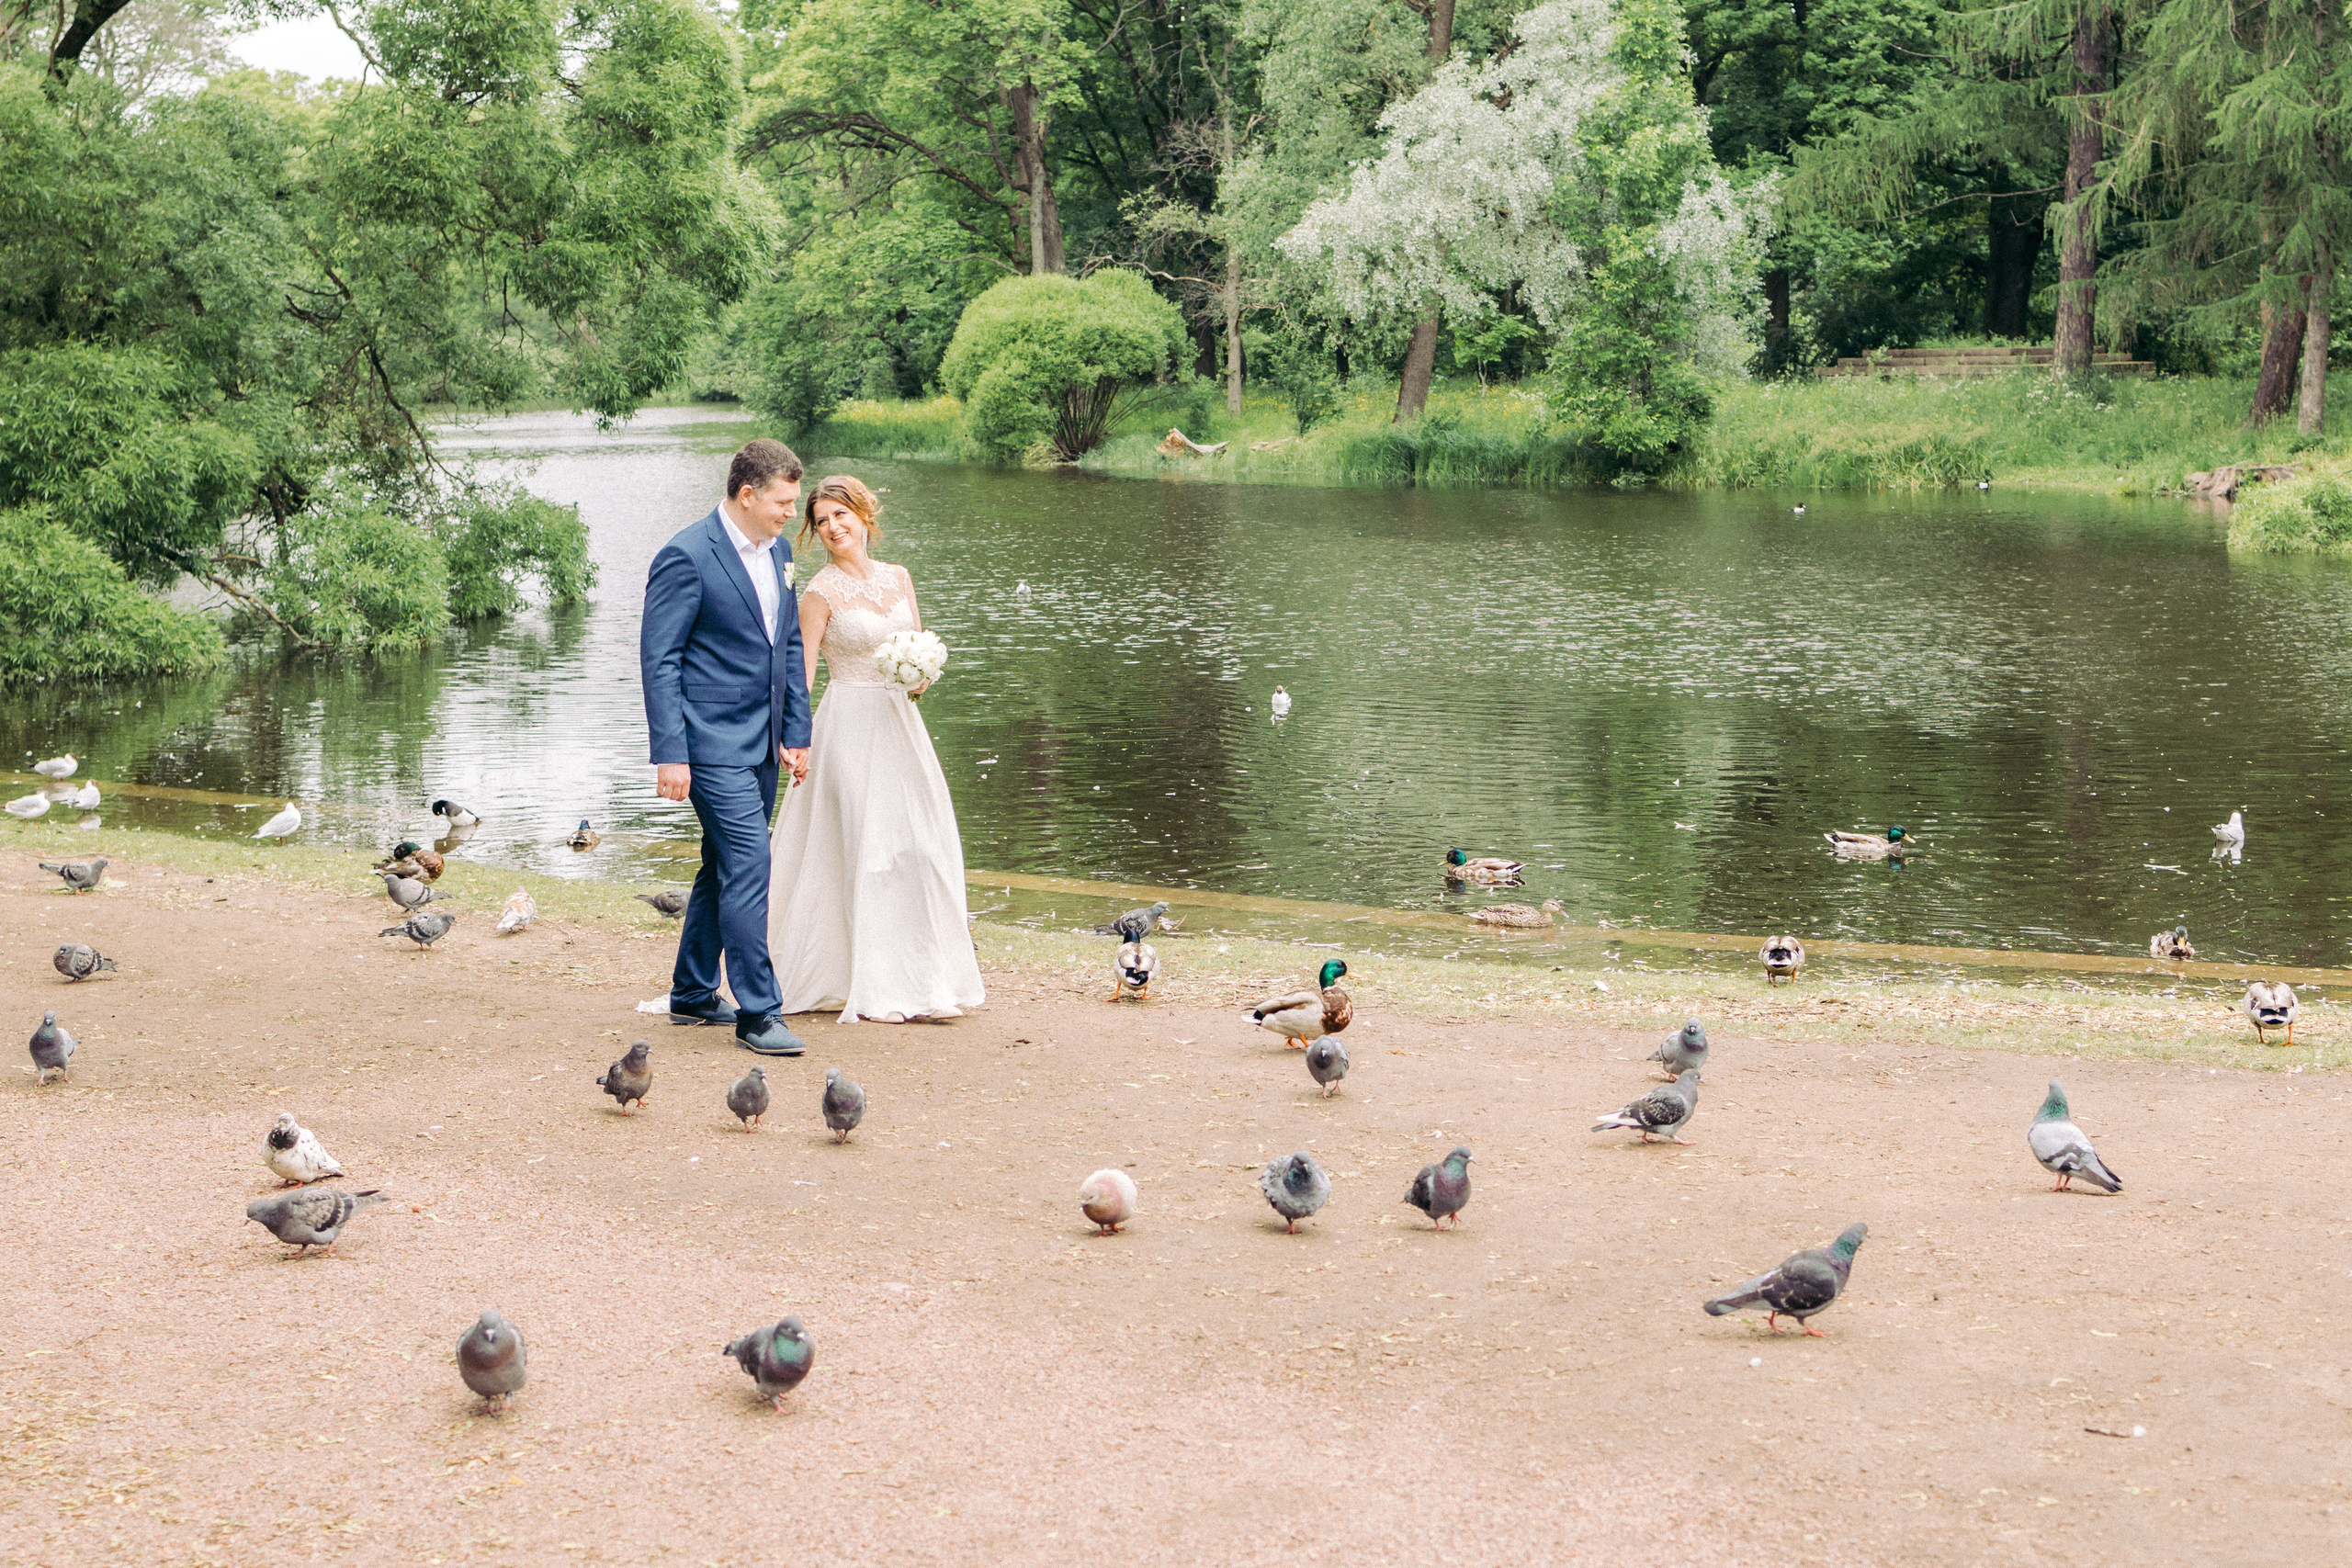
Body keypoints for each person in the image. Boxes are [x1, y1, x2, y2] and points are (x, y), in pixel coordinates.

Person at [767, 475, 985, 1023]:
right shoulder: (819, 592)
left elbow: (918, 641)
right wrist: (795, 738)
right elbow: (804, 670)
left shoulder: (899, 577)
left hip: (899, 722)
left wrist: (920, 675)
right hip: (848, 724)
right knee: (867, 846)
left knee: (918, 843)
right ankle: (870, 986)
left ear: (864, 516)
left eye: (842, 515)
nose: (834, 527)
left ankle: (925, 980)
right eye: (822, 521)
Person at [639, 438, 813, 1056]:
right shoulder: (686, 555)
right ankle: (759, 1012)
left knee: (721, 863)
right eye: (783, 501)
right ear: (747, 495)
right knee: (750, 861)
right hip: (708, 742)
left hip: (763, 739)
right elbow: (659, 660)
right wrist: (671, 752)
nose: (793, 512)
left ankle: (691, 992)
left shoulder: (782, 552)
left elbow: (787, 644)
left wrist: (796, 730)